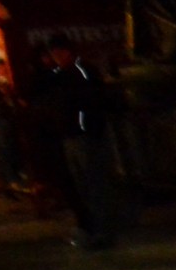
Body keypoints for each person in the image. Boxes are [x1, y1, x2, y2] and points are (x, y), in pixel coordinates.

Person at [29, 34, 115, 248]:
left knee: (94, 184)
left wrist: (84, 124)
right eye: (53, 53)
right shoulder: (58, 75)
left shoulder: (82, 71)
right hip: (69, 135)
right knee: (81, 185)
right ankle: (90, 228)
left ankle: (101, 230)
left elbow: (93, 101)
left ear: (68, 51)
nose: (56, 56)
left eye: (59, 52)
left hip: (86, 135)